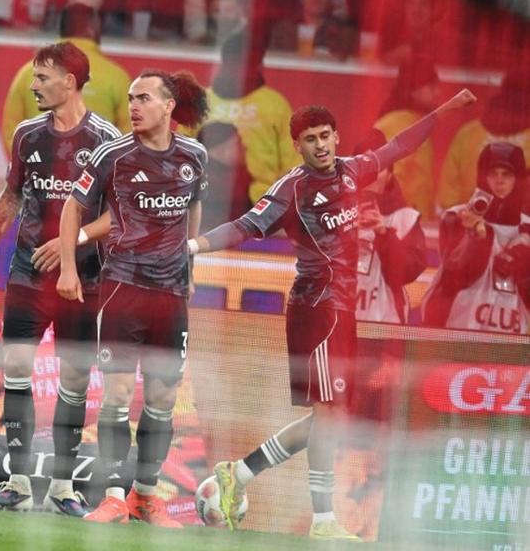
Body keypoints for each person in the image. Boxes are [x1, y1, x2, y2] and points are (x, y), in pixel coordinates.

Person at [187, 89, 476, 539]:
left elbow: (399, 146)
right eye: (310, 139)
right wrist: (193, 246)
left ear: (337, 137)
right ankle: (323, 521)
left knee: (332, 418)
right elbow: (245, 225)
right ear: (298, 146)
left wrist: (444, 111)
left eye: (325, 136)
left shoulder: (352, 172)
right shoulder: (291, 188)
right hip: (316, 308)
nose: (320, 145)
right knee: (331, 414)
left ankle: (238, 474)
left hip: (342, 313)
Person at [57, 69, 209, 527]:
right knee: (118, 395)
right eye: (130, 98)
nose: (134, 106)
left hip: (171, 295)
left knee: (163, 398)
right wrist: (67, 266)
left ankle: (146, 498)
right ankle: (112, 497)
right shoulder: (113, 154)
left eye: (143, 98)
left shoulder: (195, 156)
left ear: (169, 106)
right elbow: (73, 207)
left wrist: (192, 264)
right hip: (123, 287)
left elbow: (194, 206)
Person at [0, 41, 120, 516]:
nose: (33, 86)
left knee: (75, 379)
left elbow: (118, 215)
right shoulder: (26, 135)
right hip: (26, 271)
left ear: (70, 82)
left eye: (42, 78)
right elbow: (12, 195)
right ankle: (16, 482)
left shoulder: (105, 140)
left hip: (82, 276)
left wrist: (70, 242)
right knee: (15, 371)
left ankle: (62, 487)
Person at [422, 142, 530, 334]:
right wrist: (476, 237)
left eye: (507, 174)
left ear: (518, 179)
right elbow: (455, 272)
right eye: (493, 174)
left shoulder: (527, 230)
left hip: (510, 342)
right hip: (459, 333)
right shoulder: (457, 217)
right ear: (483, 176)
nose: (499, 181)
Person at [187, 30, 298, 206]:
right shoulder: (200, 102)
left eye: (249, 64)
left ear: (258, 65)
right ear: (225, 62)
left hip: (261, 205)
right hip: (206, 202)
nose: (240, 69)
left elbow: (293, 164)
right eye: (235, 62)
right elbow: (180, 157)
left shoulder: (275, 104)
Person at [2, 3, 131, 151]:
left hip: (40, 170)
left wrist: (28, 166)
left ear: (62, 30)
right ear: (94, 29)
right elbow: (129, 137)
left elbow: (11, 131)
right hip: (95, 170)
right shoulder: (116, 77)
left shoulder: (28, 73)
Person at [353, 129, 427, 324]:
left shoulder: (406, 219)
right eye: (365, 169)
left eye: (379, 169)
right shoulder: (334, 212)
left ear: (390, 173)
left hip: (385, 328)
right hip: (338, 327)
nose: (371, 176)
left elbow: (407, 273)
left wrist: (383, 234)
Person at [436, 67, 530, 211]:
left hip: (469, 223)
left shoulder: (468, 133)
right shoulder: (467, 133)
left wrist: (455, 221)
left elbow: (448, 193)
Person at [374, 58, 441, 220]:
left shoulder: (411, 121)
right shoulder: (401, 124)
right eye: (431, 86)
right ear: (414, 89)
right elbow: (394, 179)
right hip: (404, 227)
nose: (437, 93)